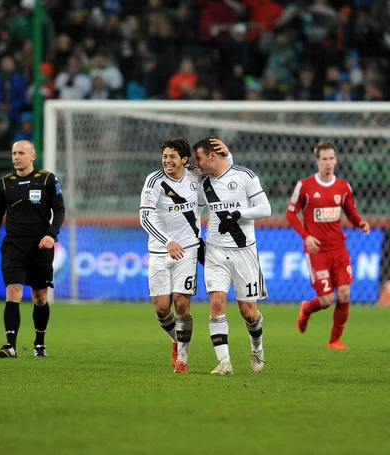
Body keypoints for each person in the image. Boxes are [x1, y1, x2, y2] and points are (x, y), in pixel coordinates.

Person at [139, 137, 232, 374]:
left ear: (184, 159)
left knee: (182, 301)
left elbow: (222, 171)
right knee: (162, 309)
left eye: (172, 157)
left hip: (189, 249)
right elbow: (145, 217)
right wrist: (167, 241)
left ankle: (182, 358)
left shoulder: (195, 175)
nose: (167, 161)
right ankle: (175, 339)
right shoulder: (154, 181)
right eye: (164, 157)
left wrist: (228, 155)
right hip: (160, 251)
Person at [0, 140, 65, 358]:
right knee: (13, 291)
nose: (16, 157)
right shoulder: (4, 184)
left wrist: (51, 235)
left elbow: (60, 210)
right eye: (13, 153)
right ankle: (10, 345)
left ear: (32, 157)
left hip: (40, 247)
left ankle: (39, 343)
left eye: (21, 153)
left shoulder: (47, 179)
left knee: (39, 297)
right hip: (13, 246)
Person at [193, 137, 271, 375]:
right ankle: (224, 362)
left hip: (244, 250)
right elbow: (193, 212)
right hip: (215, 250)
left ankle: (257, 347)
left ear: (212, 156)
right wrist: (197, 242)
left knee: (248, 312)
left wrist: (238, 213)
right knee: (216, 302)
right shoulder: (202, 183)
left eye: (199, 158)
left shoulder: (245, 176)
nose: (197, 164)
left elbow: (265, 209)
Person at [286, 141, 370, 350]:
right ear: (317, 161)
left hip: (338, 249)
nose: (328, 163)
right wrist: (306, 236)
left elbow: (350, 212)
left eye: (331, 158)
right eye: (324, 159)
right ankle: (306, 309)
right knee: (326, 300)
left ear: (336, 160)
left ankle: (334, 341)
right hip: (317, 251)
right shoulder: (305, 186)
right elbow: (290, 213)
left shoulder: (343, 187)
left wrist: (359, 222)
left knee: (344, 294)